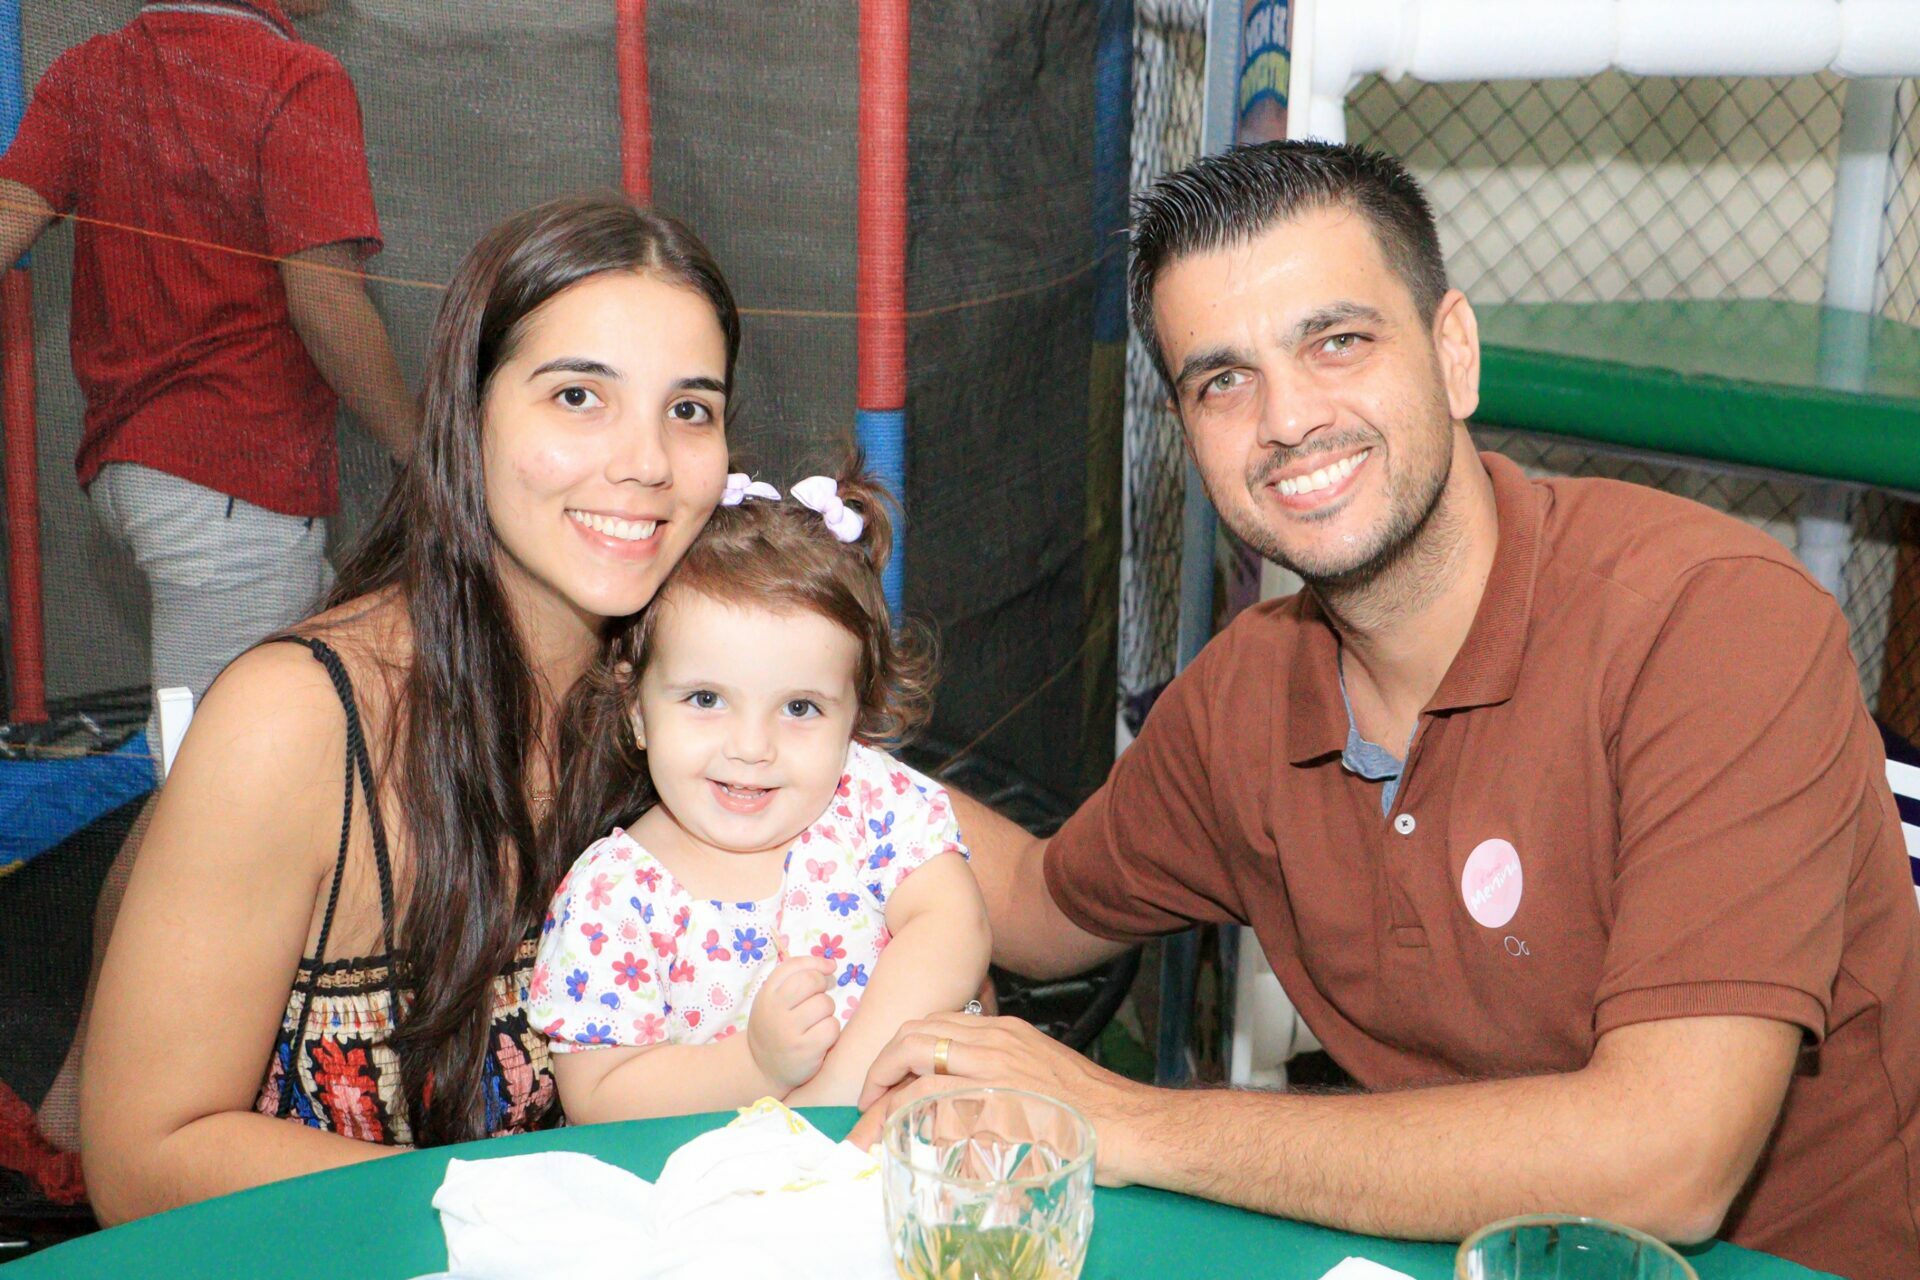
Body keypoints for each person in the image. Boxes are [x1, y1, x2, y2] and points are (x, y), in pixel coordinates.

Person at [854, 141, 1920, 1280]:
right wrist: (790, 736)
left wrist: (1128, 1118)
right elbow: (1033, 899)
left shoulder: (1713, 622)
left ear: (1454, 354)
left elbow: (1669, 1160)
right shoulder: (1246, 695)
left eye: (1337, 342)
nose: (1286, 418)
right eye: (1223, 381)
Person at [75, 194, 739, 1224]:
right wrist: (533, 1219)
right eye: (578, 396)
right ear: (465, 416)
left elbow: (974, 871)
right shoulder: (296, 719)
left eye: (690, 409)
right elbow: (144, 1158)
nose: (647, 461)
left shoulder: (706, 687)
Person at [531, 463, 991, 1117]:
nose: (752, 747)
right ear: (636, 709)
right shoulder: (612, 897)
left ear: (856, 717)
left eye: (800, 708)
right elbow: (596, 1096)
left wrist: (832, 1099)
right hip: (720, 1178)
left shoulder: (867, 802)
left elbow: (955, 924)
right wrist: (754, 1065)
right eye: (706, 698)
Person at [0, 0, 417, 710]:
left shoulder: (89, 70)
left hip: (136, 478)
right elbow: (325, 304)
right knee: (212, 757)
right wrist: (419, 448)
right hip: (231, 484)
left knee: (311, 701)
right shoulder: (296, 77)